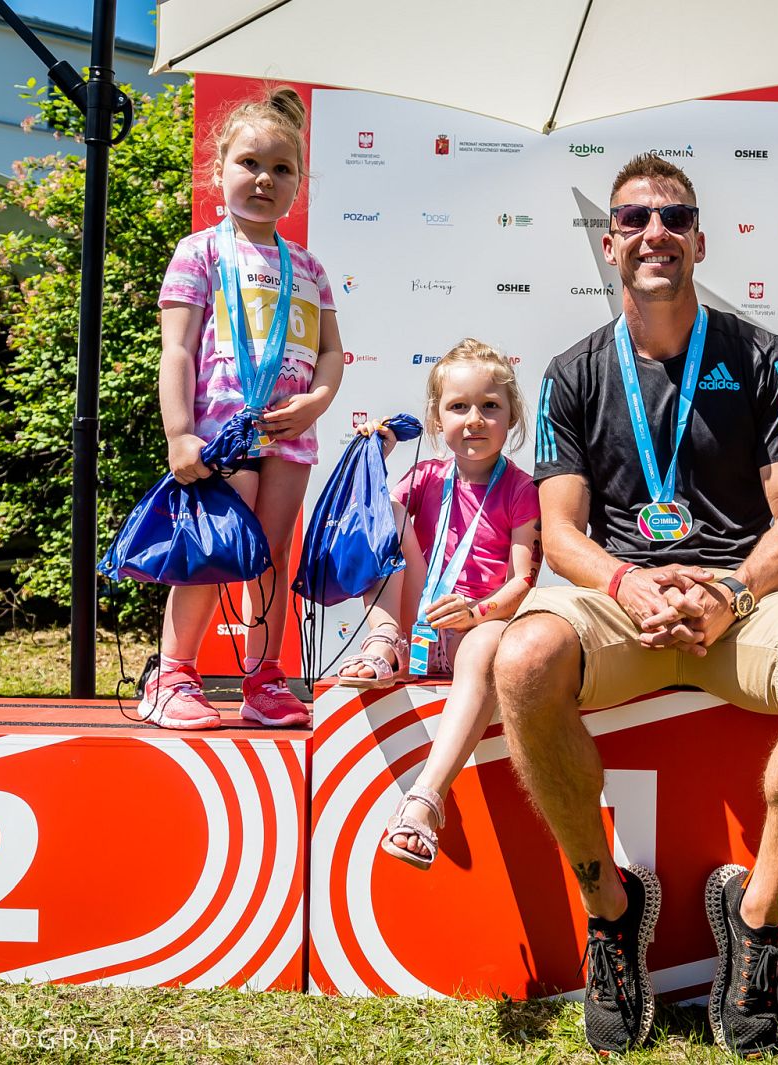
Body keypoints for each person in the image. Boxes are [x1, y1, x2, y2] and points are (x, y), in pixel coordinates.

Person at [492, 154, 778, 1057]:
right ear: (610, 242)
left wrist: (732, 588)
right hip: (622, 600)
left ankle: (754, 922)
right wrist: (627, 583)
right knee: (521, 660)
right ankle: (611, 917)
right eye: (634, 219)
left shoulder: (763, 357)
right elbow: (561, 530)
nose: (655, 232)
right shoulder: (570, 371)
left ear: (699, 239)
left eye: (674, 217)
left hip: (736, 600)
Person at [140, 88, 343, 729]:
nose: (264, 179)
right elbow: (176, 350)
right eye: (250, 163)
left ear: (298, 186)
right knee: (209, 551)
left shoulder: (308, 267)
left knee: (272, 556)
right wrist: (180, 434)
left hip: (290, 437)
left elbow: (333, 352)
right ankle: (172, 676)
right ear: (219, 168)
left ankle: (263, 679)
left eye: (282, 169)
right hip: (222, 434)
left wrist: (317, 401)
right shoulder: (199, 251)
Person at [334, 339, 541, 869]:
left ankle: (425, 800)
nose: (474, 420)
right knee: (384, 524)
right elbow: (369, 527)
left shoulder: (520, 488)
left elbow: (524, 580)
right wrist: (373, 458)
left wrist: (479, 611)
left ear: (512, 414)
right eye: (458, 407)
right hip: (419, 621)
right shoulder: (425, 478)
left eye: (490, 406)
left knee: (485, 644)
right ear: (436, 417)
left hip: (480, 629)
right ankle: (385, 643)